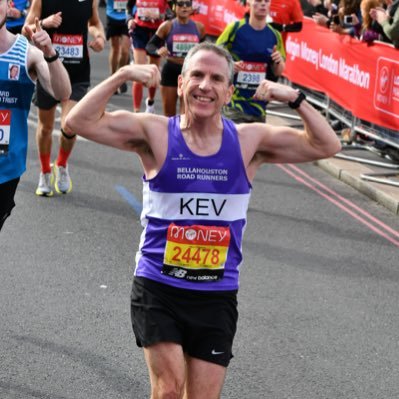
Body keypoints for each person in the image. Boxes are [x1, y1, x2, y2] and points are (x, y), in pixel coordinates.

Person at [65, 42, 341, 398]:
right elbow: (77, 122)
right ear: (180, 84)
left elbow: (327, 145)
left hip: (216, 293)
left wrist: (295, 98)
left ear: (228, 92)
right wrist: (121, 74)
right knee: (168, 389)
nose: (204, 86)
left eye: (216, 79)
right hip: (158, 286)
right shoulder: (156, 134)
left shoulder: (248, 141)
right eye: (196, 75)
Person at [22, 0, 105, 196]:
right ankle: (44, 172)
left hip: (77, 73)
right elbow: (27, 28)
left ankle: (61, 163)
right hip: (48, 70)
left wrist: (99, 36)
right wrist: (45, 22)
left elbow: (94, 23)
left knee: (70, 124)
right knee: (46, 127)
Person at [0, 7, 71, 231]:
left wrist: (49, 52)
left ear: (8, 5)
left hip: (5, 169)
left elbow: (62, 93)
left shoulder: (27, 53)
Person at [216, 0, 286, 123]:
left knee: (254, 142)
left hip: (259, 107)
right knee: (234, 141)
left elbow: (278, 72)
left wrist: (278, 62)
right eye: (258, 1)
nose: (263, 4)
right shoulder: (235, 28)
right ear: (249, 3)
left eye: (266, 1)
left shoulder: (274, 35)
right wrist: (230, 65)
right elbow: (214, 56)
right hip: (233, 104)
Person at [145, 0, 205, 116]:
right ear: (174, 7)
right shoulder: (167, 26)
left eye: (187, 4)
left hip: (190, 73)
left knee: (186, 114)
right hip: (171, 71)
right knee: (169, 116)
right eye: (180, 4)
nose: (184, 7)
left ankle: (182, 135)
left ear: (192, 8)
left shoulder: (199, 27)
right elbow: (150, 46)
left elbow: (205, 49)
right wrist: (158, 50)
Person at [126, 0, 173, 113]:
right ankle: (136, 111)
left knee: (153, 70)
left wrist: (162, 16)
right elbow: (129, 6)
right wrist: (129, 19)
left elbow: (173, 12)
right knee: (139, 69)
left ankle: (150, 101)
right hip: (139, 31)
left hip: (157, 33)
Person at [105, 0, 130, 94]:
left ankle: (119, 78)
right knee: (115, 48)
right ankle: (113, 76)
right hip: (112, 16)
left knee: (125, 51)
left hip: (128, 17)